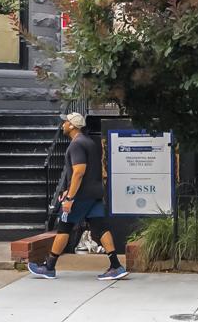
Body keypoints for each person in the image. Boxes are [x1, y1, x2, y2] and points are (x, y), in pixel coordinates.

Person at [27, 112, 127, 282]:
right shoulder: (88, 142)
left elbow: (79, 172)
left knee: (64, 227)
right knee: (100, 227)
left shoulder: (76, 145)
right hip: (94, 193)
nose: (63, 124)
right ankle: (116, 266)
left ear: (72, 125)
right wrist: (66, 189)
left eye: (65, 122)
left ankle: (49, 267)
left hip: (81, 196)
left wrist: (70, 198)